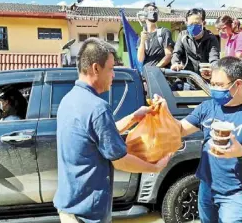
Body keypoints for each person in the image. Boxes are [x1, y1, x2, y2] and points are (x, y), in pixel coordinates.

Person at [53, 38, 171, 223]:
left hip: (70, 206)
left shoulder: (69, 100)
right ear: (96, 68)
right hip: (87, 214)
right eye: (111, 68)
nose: (114, 75)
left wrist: (134, 117)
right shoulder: (97, 107)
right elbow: (120, 161)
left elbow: (96, 136)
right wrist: (155, 167)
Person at [165, 56, 242, 222]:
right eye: (212, 83)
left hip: (238, 194)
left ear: (238, 85)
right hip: (207, 187)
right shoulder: (208, 107)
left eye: (220, 85)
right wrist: (162, 113)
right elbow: (179, 130)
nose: (214, 89)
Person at [171, 8, 220, 78]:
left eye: (197, 24)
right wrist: (175, 63)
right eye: (191, 24)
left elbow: (214, 59)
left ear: (204, 23)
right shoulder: (182, 36)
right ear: (186, 23)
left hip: (205, 80)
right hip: (186, 79)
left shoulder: (211, 39)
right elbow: (176, 53)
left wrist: (213, 69)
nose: (193, 27)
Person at [215, 15, 242, 96]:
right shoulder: (230, 39)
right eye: (218, 30)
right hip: (232, 78)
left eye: (221, 29)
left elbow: (238, 58)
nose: (220, 32)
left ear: (228, 26)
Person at [137, 2, 175, 68]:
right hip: (146, 74)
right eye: (149, 10)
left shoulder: (164, 32)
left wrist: (156, 69)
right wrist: (142, 41)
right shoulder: (142, 37)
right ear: (144, 15)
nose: (152, 12)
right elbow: (140, 59)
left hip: (160, 74)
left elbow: (169, 55)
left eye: (154, 10)